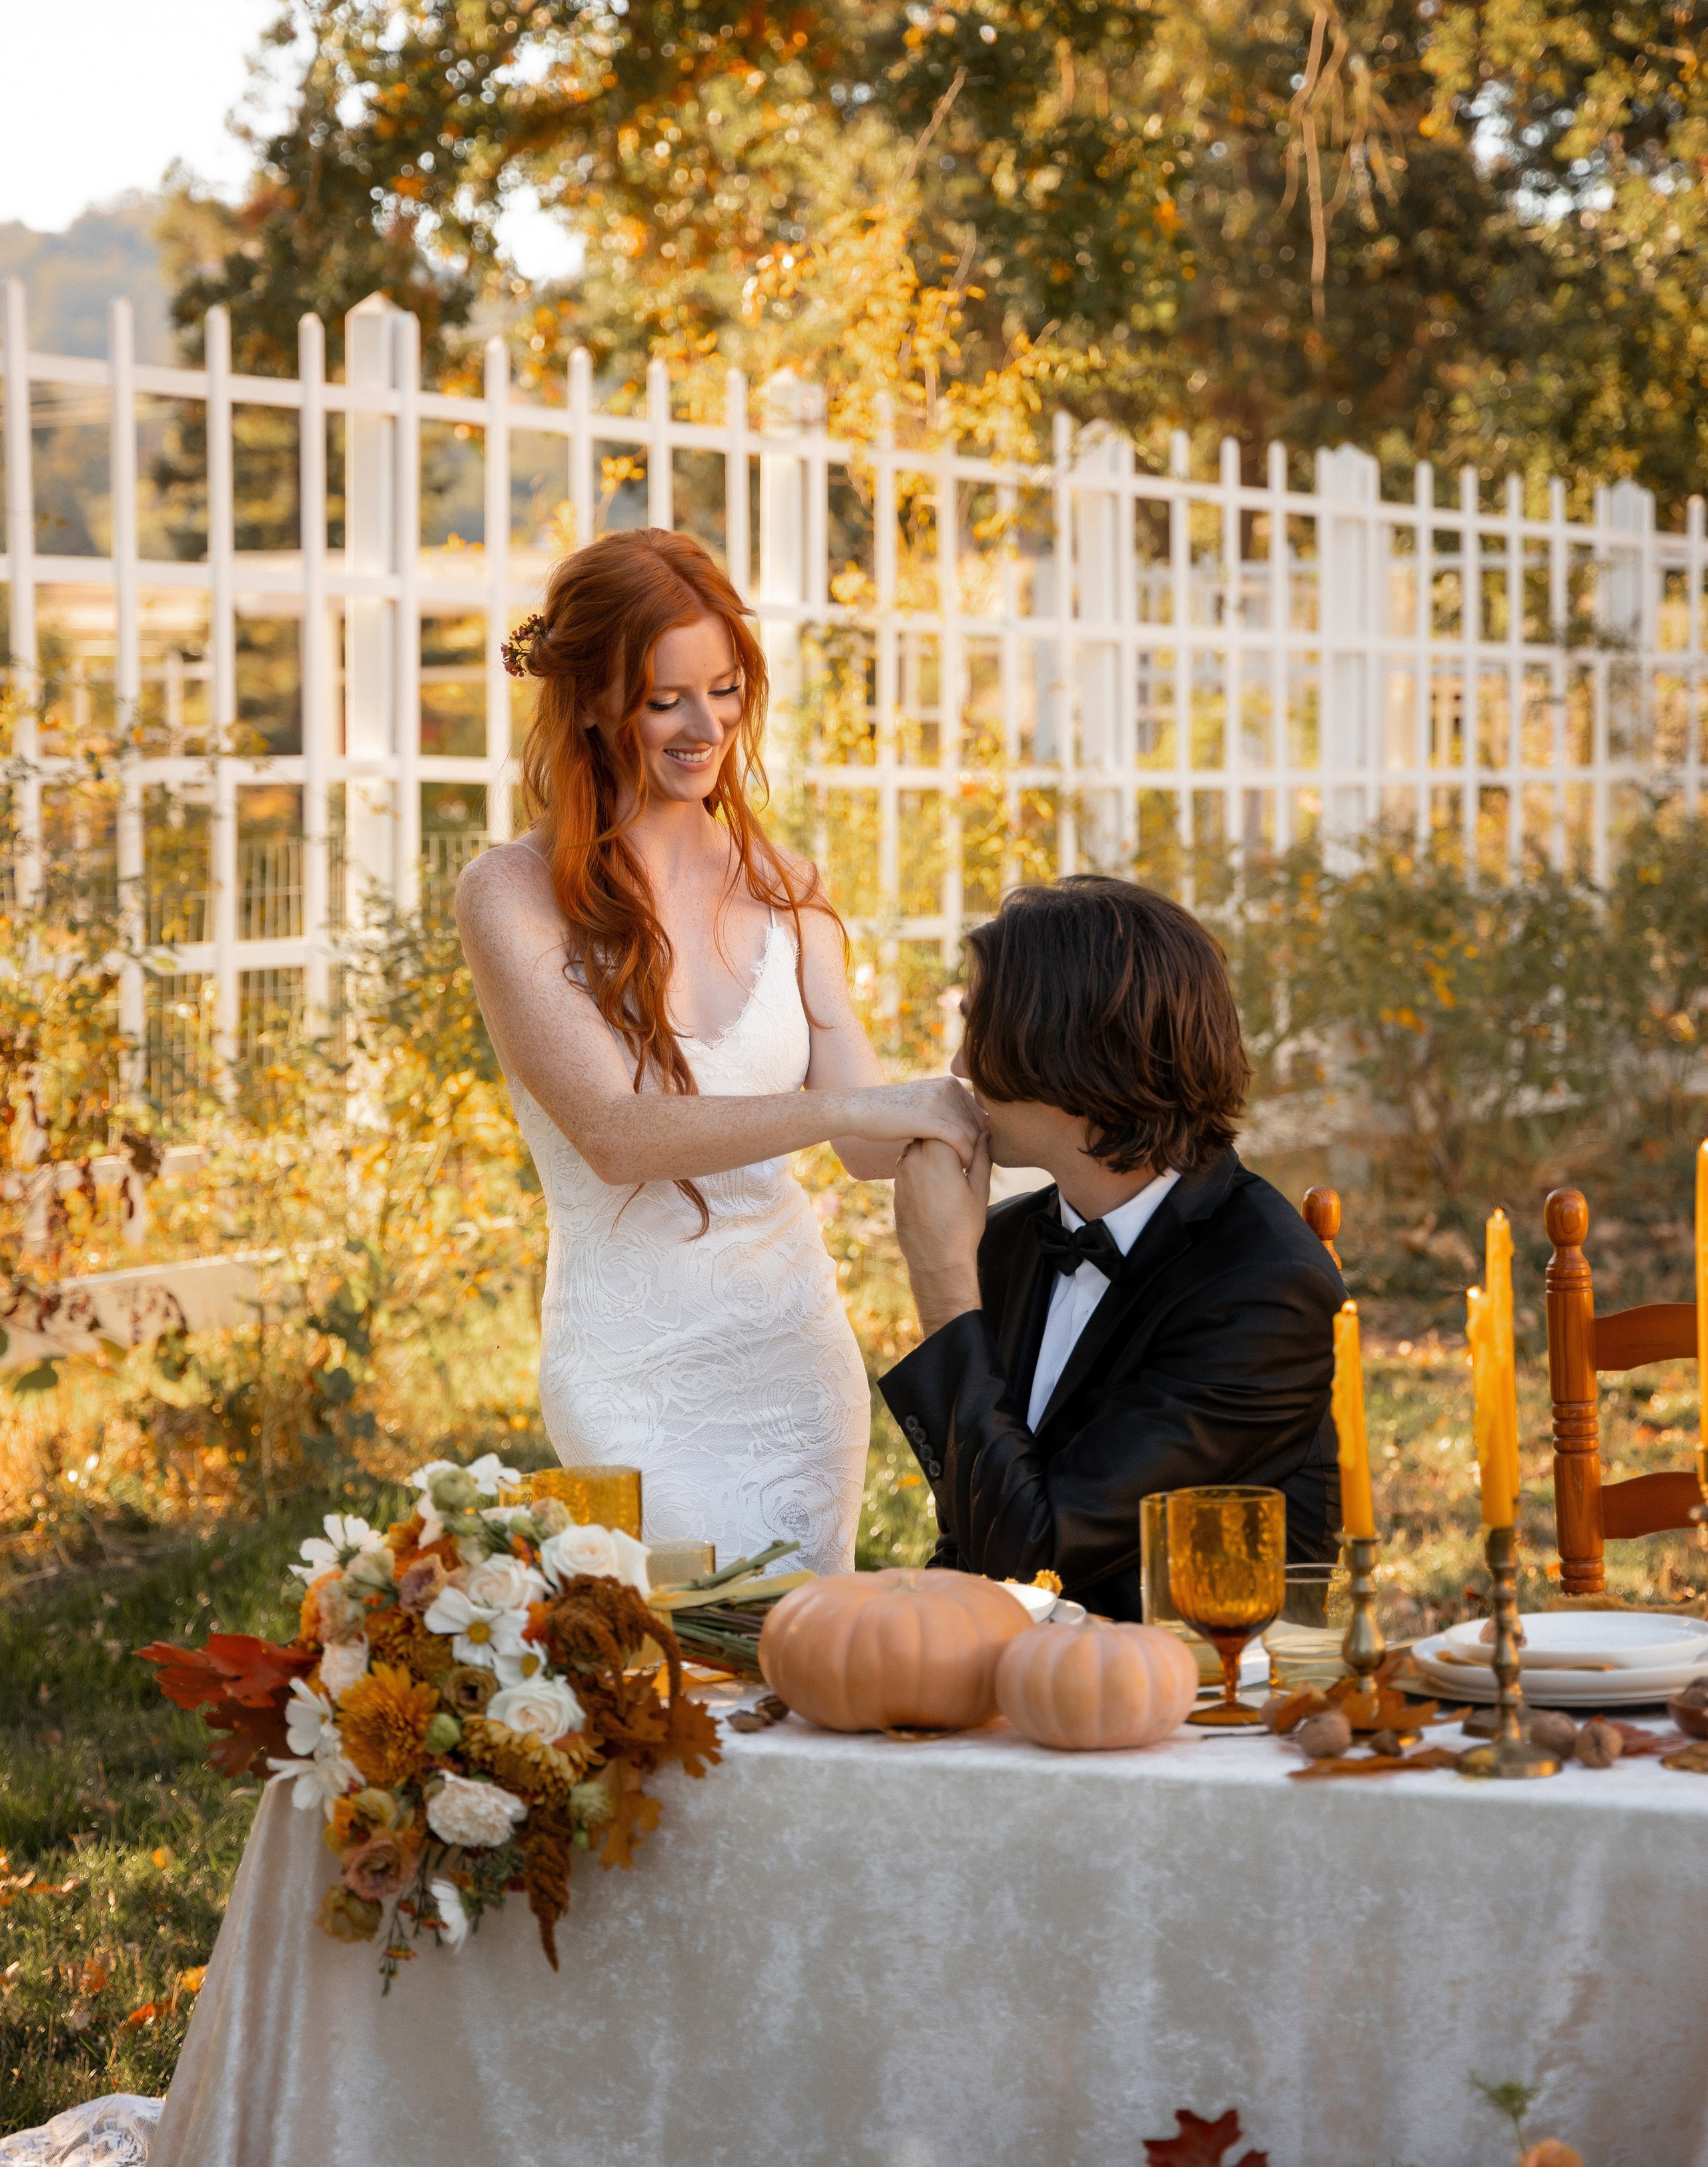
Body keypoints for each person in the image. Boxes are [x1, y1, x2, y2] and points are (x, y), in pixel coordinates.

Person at [456, 528, 983, 1574]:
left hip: (795, 1359)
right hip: (628, 1368)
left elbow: (873, 1145)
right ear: (596, 700)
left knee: (796, 1668)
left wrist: (984, 1058)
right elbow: (616, 1134)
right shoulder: (511, 895)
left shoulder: (789, 883)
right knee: (674, 1678)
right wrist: (849, 1113)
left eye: (728, 689)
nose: (708, 728)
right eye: (668, 700)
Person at [878, 876, 1342, 1615]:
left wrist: (940, 1282)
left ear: (1071, 1056)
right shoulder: (1006, 1243)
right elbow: (972, 1542)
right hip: (1021, 1690)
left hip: (1199, 1698)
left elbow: (1033, 1558)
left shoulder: (1262, 1289)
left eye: (980, 1031)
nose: (961, 1068)